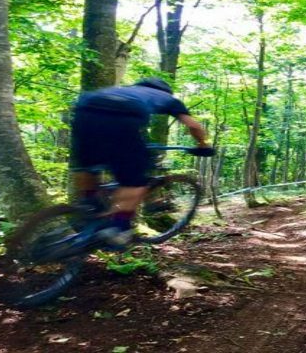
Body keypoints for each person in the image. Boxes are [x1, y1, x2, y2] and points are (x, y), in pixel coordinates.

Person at [70, 77, 214, 248]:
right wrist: (203, 145)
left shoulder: (120, 89)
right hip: (125, 117)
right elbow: (194, 126)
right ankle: (118, 229)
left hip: (84, 111)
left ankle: (88, 205)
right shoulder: (168, 98)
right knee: (135, 180)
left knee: (87, 165)